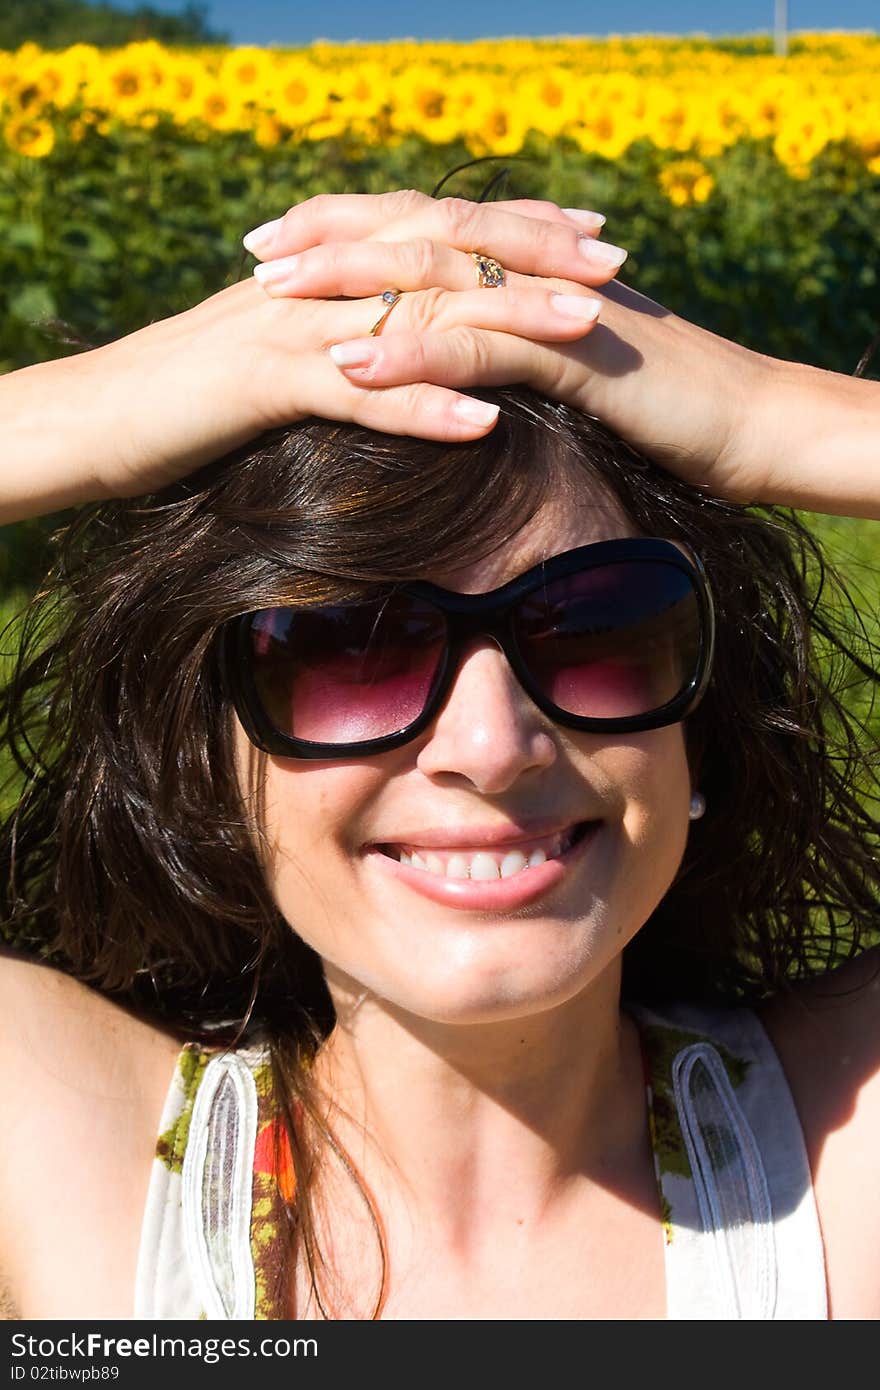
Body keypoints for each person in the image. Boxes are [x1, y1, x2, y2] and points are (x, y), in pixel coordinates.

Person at [1, 192, 879, 1321]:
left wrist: (772, 417)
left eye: (598, 628)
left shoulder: (841, 1139)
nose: (490, 746)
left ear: (696, 725)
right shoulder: (73, 1150)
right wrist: (98, 412)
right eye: (349, 648)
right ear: (212, 756)